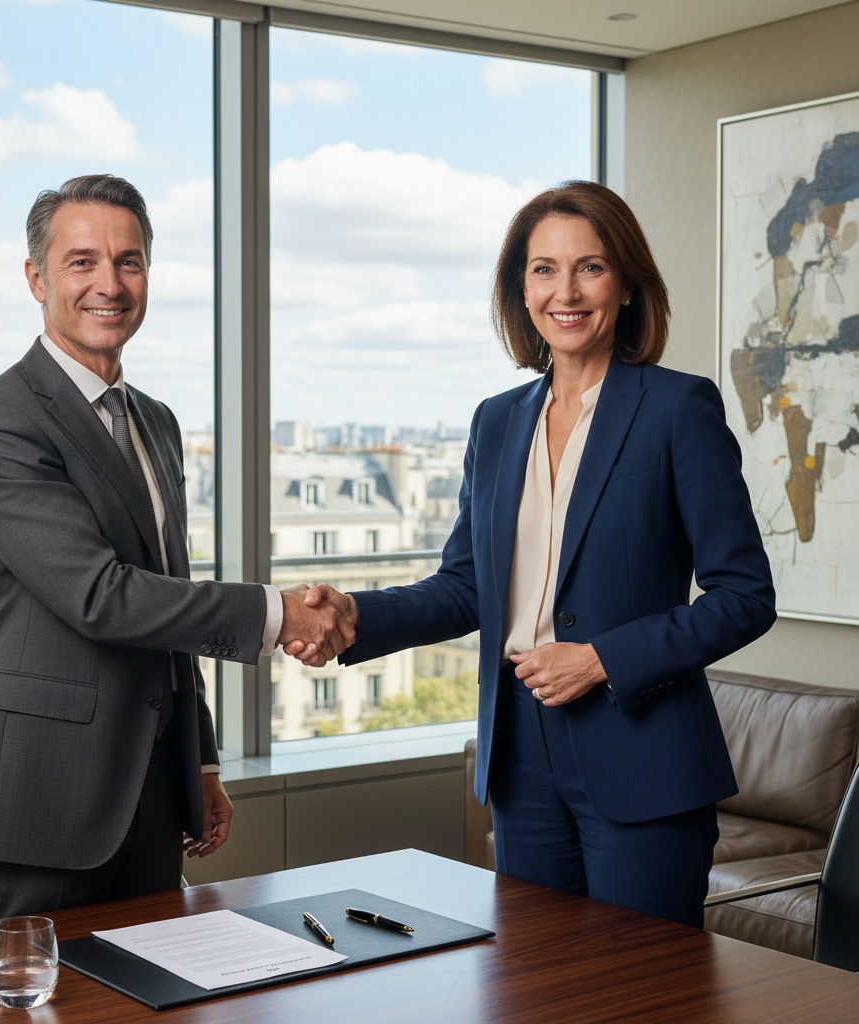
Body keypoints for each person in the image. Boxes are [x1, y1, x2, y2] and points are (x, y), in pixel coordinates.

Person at [285, 181, 776, 928]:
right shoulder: (496, 422)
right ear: (521, 289)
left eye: (591, 267)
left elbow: (745, 595)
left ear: (627, 283)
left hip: (640, 748)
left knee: (635, 993)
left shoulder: (679, 408)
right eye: (544, 269)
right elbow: (463, 587)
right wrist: (355, 615)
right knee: (535, 989)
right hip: (519, 753)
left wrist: (603, 657)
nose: (566, 291)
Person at [0, 174, 354, 921]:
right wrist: (279, 612)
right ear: (36, 277)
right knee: (27, 1006)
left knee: (160, 997)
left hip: (152, 796)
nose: (110, 284)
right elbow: (101, 596)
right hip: (42, 799)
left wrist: (198, 758)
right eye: (82, 262)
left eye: (129, 262)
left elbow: (169, 595)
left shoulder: (155, 422)